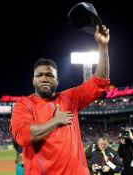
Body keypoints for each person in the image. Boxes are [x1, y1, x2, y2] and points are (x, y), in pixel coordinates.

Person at [10, 25, 110, 175]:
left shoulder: (70, 98)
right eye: (39, 75)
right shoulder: (23, 104)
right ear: (33, 80)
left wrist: (102, 46)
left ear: (57, 81)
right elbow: (23, 136)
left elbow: (100, 82)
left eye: (49, 75)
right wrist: (56, 120)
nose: (44, 78)